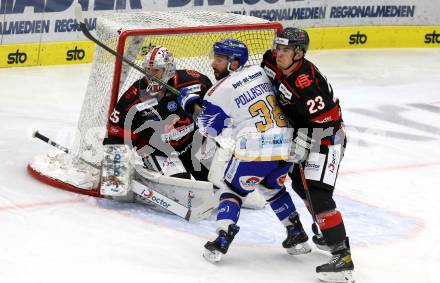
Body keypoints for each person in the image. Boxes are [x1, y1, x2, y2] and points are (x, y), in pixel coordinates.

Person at [187, 39, 310, 263]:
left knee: (232, 190)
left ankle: (222, 239)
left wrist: (191, 105)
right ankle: (296, 234)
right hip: (285, 145)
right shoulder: (259, 72)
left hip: (255, 148)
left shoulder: (217, 91)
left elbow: (209, 129)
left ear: (234, 63)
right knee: (272, 188)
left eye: (220, 60)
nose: (213, 64)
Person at [261, 27, 354, 282]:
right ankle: (327, 233)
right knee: (302, 188)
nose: (278, 54)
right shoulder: (271, 61)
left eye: (285, 50)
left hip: (326, 138)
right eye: (277, 47)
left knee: (318, 193)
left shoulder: (307, 83)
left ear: (299, 53)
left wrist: (304, 141)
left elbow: (327, 121)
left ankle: (342, 258)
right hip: (301, 132)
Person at [102, 45, 213, 188]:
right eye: (147, 69)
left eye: (156, 70)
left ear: (169, 70)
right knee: (181, 187)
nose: (150, 74)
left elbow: (214, 104)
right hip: (160, 151)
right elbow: (115, 133)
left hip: (194, 143)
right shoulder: (134, 96)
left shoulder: (195, 81)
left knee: (222, 180)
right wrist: (114, 173)